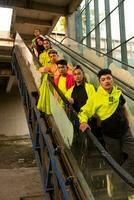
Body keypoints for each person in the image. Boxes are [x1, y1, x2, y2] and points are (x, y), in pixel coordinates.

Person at [78, 68, 134, 176]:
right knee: (117, 162)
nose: (106, 81)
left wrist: (130, 125)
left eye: (108, 78)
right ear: (100, 82)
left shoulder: (118, 93)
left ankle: (121, 180)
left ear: (113, 80)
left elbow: (124, 110)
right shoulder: (95, 98)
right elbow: (83, 112)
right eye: (103, 79)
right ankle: (123, 185)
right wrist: (83, 122)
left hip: (125, 132)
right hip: (110, 136)